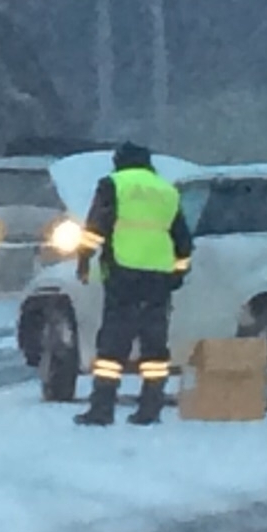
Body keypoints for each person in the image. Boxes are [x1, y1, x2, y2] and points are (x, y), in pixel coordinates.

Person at [73, 142, 193, 426]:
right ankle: (150, 409)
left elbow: (96, 227)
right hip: (158, 276)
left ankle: (102, 409)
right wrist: (177, 273)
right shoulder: (167, 190)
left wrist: (84, 259)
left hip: (124, 272)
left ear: (119, 162)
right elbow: (183, 241)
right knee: (154, 345)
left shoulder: (113, 184)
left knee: (113, 344)